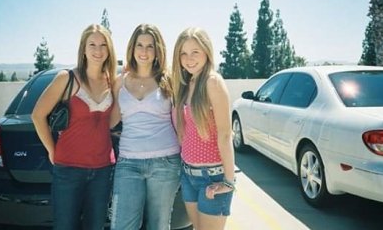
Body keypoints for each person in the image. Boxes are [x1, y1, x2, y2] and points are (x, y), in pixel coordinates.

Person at [31, 24, 117, 230]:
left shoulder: (112, 82)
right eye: (92, 44)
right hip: (68, 170)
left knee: (95, 226)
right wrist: (52, 150)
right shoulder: (66, 78)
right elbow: (37, 115)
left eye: (103, 45)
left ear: (109, 49)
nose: (98, 50)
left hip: (103, 170)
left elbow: (110, 122)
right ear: (83, 49)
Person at [109, 23, 181, 230]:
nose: (144, 51)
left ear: (158, 50)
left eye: (150, 46)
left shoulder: (169, 81)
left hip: (166, 163)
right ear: (132, 48)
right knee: (122, 225)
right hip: (128, 163)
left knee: (159, 225)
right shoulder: (120, 82)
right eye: (140, 45)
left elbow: (181, 123)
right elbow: (111, 121)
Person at [172, 27, 235, 230]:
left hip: (212, 177)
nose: (189, 59)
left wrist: (228, 181)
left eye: (195, 52)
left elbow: (226, 134)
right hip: (189, 176)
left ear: (206, 51)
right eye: (184, 53)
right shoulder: (187, 83)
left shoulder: (212, 82)